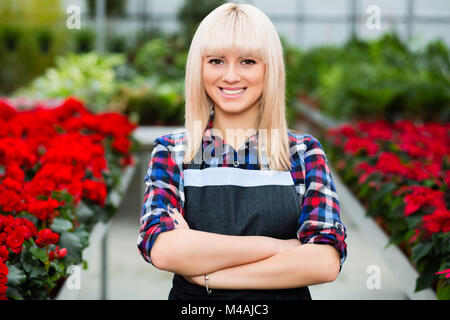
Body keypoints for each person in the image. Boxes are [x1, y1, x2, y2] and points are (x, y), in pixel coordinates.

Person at [137, 2, 347, 300]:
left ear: (269, 68)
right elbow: (164, 249)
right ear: (199, 66)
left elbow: (325, 261)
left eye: (247, 61)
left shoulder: (303, 153)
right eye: (216, 61)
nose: (231, 76)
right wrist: (281, 247)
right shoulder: (173, 152)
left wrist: (208, 276)